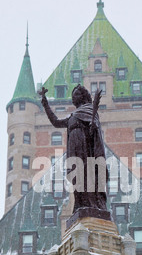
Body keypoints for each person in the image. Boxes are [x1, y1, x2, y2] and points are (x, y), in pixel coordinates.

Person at [38, 84, 108, 214]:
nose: (72, 98)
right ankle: (81, 203)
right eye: (72, 96)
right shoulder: (73, 116)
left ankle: (92, 203)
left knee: (87, 174)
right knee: (77, 176)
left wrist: (93, 127)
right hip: (73, 148)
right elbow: (56, 122)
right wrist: (45, 103)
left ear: (82, 96)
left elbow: (95, 129)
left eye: (75, 95)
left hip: (85, 147)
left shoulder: (89, 110)